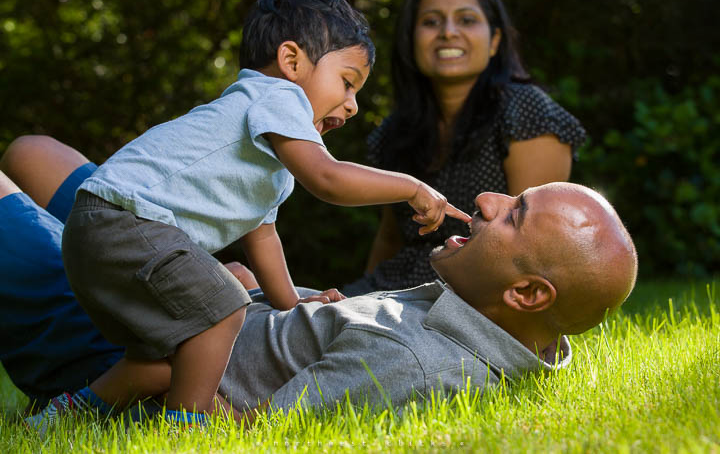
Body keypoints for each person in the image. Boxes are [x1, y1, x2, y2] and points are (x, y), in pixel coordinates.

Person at [24, 0, 470, 429]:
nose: (352, 106)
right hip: (125, 221)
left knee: (166, 356)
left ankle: (63, 416)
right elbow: (328, 179)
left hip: (99, 231)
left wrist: (292, 300)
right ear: (292, 61)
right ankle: (187, 427)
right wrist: (411, 187)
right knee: (226, 307)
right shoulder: (276, 97)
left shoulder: (267, 162)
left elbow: (263, 238)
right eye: (348, 83)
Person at [0, 137, 637, 426]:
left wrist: (210, 308)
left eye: (515, 214)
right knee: (33, 153)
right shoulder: (498, 321)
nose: (489, 199)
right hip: (200, 303)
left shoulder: (411, 362)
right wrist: (263, 298)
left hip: (137, 340)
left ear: (527, 294)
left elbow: (247, 427)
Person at [345, 0, 588, 295]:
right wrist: (357, 303)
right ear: (411, 40)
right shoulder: (394, 131)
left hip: (474, 300)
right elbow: (390, 238)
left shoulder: (527, 113)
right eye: (431, 21)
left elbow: (534, 250)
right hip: (390, 292)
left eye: (467, 19)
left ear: (494, 40)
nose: (448, 32)